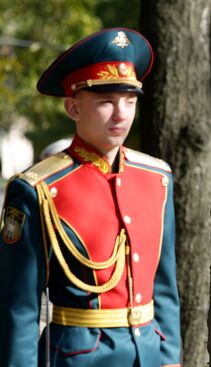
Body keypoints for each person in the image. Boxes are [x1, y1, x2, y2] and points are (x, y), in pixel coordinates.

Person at [0, 28, 182, 367]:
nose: (120, 114)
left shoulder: (157, 178)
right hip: (79, 357)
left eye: (130, 101)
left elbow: (165, 288)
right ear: (72, 107)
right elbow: (19, 307)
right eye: (106, 102)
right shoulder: (37, 189)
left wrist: (171, 359)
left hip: (150, 356)